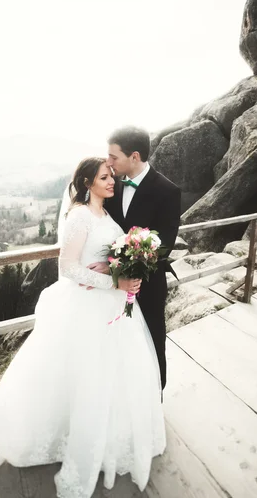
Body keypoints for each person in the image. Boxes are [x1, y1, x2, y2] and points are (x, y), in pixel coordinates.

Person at [0, 157, 166, 498]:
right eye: (104, 177)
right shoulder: (80, 215)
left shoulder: (105, 214)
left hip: (113, 306)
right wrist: (116, 281)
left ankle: (109, 437)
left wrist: (122, 265)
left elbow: (106, 253)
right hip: (88, 307)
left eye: (112, 175)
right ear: (87, 183)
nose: (112, 181)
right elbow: (67, 267)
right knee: (85, 374)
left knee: (111, 375)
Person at [90, 127, 181, 390]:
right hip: (112, 290)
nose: (108, 162)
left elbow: (164, 243)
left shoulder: (167, 190)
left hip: (148, 285)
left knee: (152, 341)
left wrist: (120, 266)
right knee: (117, 344)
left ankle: (154, 397)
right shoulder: (110, 185)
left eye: (113, 156)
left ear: (134, 156)